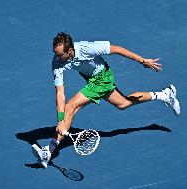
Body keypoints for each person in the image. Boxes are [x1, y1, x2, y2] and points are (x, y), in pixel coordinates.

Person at [31, 32, 180, 168]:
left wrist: (142, 61)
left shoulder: (86, 48)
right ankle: (164, 95)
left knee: (70, 106)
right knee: (123, 103)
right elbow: (59, 93)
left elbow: (117, 49)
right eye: (55, 54)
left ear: (70, 51)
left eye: (60, 55)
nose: (57, 58)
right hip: (91, 78)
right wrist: (60, 120)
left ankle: (48, 152)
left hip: (102, 78)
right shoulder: (57, 62)